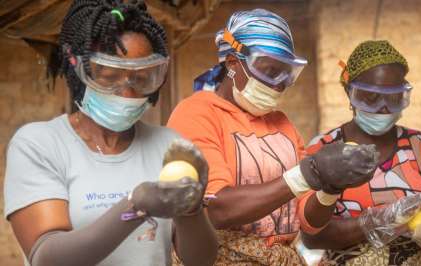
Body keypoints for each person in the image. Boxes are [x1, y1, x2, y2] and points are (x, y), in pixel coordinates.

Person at [3, 1, 217, 265]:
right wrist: (135, 208)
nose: (127, 94)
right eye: (109, 76)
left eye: (141, 79)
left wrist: (192, 209)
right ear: (76, 66)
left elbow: (201, 260)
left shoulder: (169, 146)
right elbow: (47, 257)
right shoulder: (40, 144)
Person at [167, 9, 379, 265]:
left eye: (286, 73)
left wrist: (329, 188)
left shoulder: (282, 124)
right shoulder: (197, 114)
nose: (279, 84)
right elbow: (216, 209)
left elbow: (308, 223)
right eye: (270, 71)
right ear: (233, 63)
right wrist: (308, 173)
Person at [298, 40, 421, 265]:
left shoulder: (420, 146)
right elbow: (312, 236)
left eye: (393, 97)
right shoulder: (324, 151)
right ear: (349, 92)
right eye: (371, 97)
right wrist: (379, 221)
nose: (383, 107)